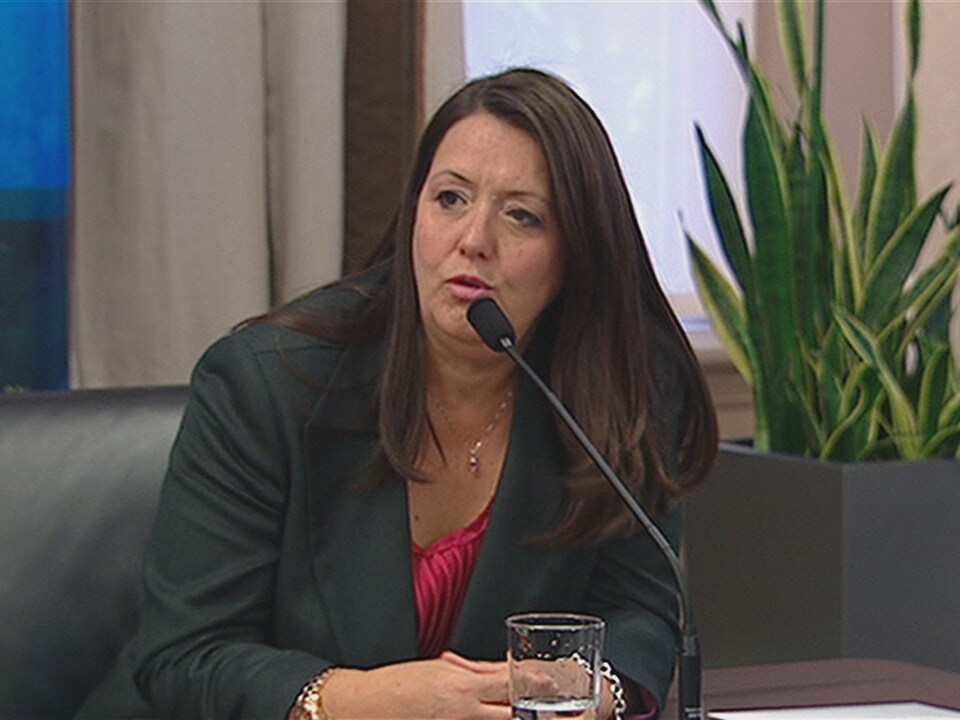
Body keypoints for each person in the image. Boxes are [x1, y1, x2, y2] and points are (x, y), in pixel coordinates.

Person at [77, 67, 717, 720]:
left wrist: (595, 694)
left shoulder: (618, 394)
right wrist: (364, 700)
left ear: (578, 253)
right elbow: (185, 657)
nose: (474, 240)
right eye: (450, 199)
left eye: (522, 216)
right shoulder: (265, 383)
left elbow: (639, 613)